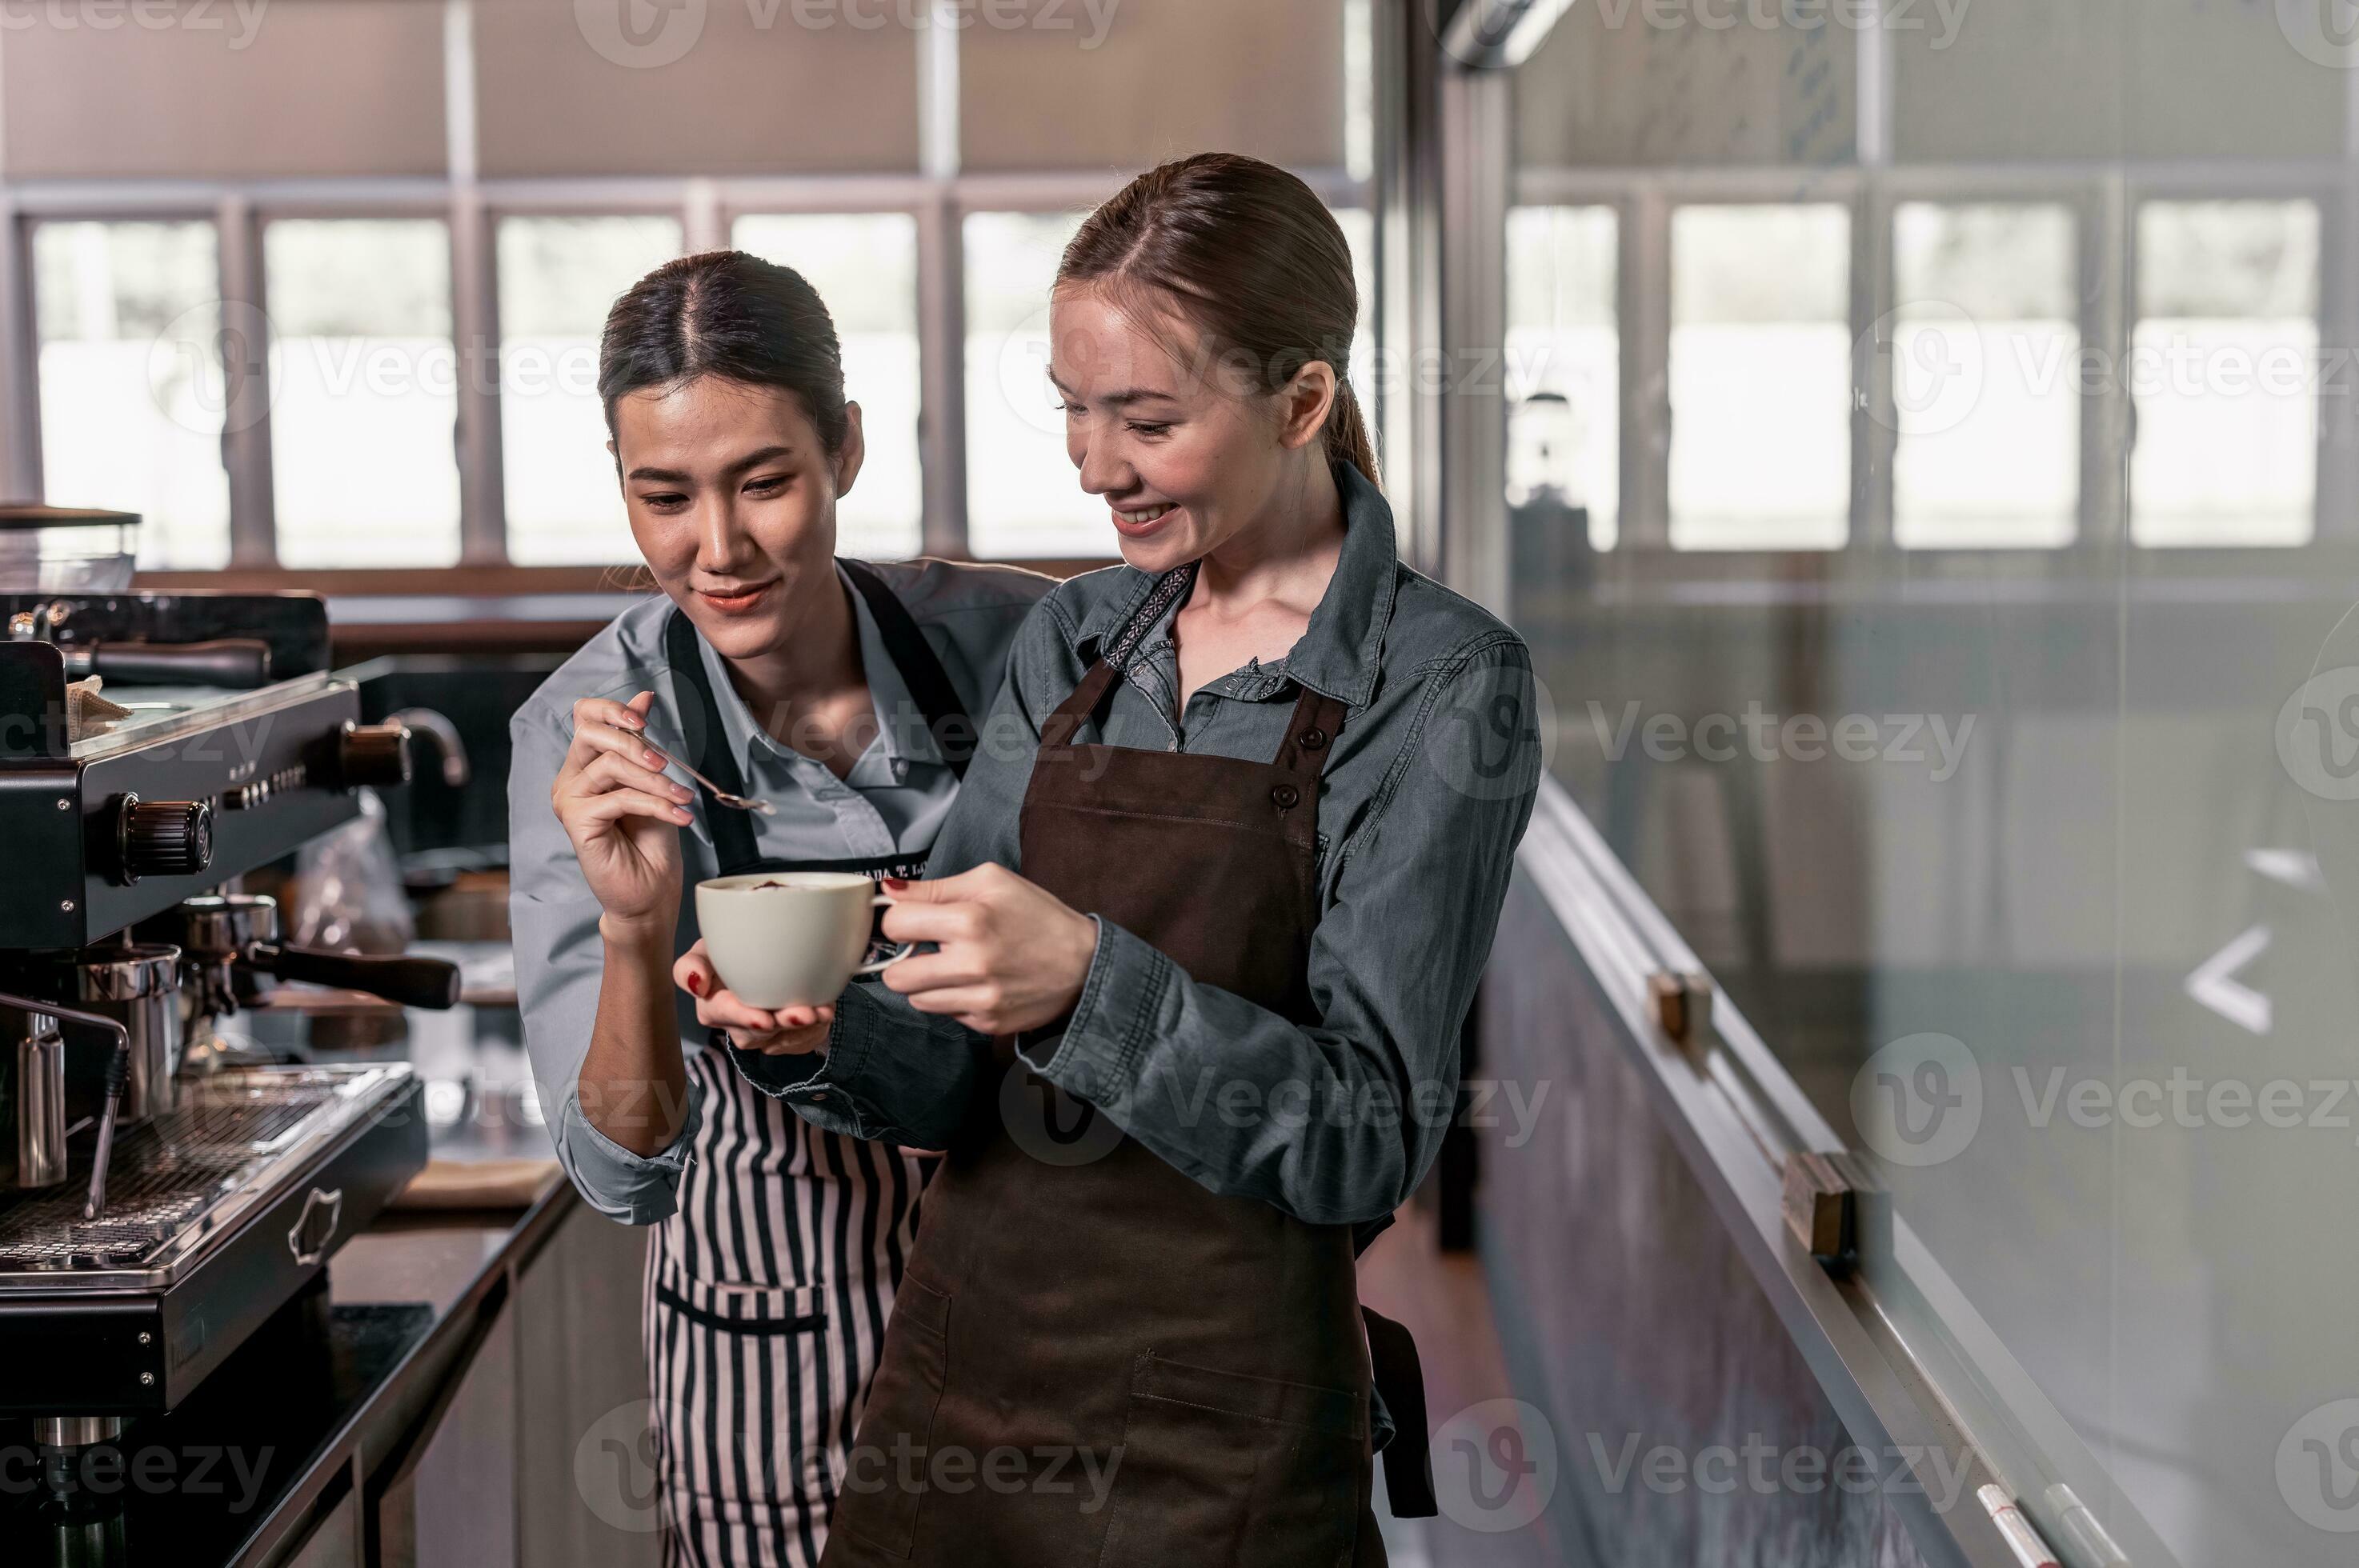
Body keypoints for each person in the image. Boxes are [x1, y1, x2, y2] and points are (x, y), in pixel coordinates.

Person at [678, 154, 1544, 1564]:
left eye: (1146, 418)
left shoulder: (1443, 685)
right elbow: (948, 1052)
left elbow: (1364, 1143)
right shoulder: (1075, 640)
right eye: (1076, 412)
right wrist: (824, 1027)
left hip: (1224, 1444)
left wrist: (1086, 981)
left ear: (1302, 400)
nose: (1094, 466)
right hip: (966, 1392)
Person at [507, 250, 1050, 1567]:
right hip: (772, 1366)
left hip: (1043, 1317)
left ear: (847, 450)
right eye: (664, 497)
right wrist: (638, 929)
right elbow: (621, 1173)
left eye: (764, 482)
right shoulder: (582, 740)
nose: (720, 549)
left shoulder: (1020, 648)